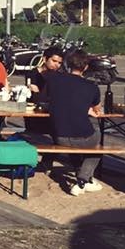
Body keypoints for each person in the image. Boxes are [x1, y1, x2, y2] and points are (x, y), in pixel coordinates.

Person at [42, 50, 105, 196]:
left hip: (59, 136)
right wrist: (86, 109)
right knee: (97, 145)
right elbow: (97, 110)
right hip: (82, 137)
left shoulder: (54, 79)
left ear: (67, 64)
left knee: (75, 143)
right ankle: (83, 179)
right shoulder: (92, 87)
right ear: (86, 67)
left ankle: (83, 176)